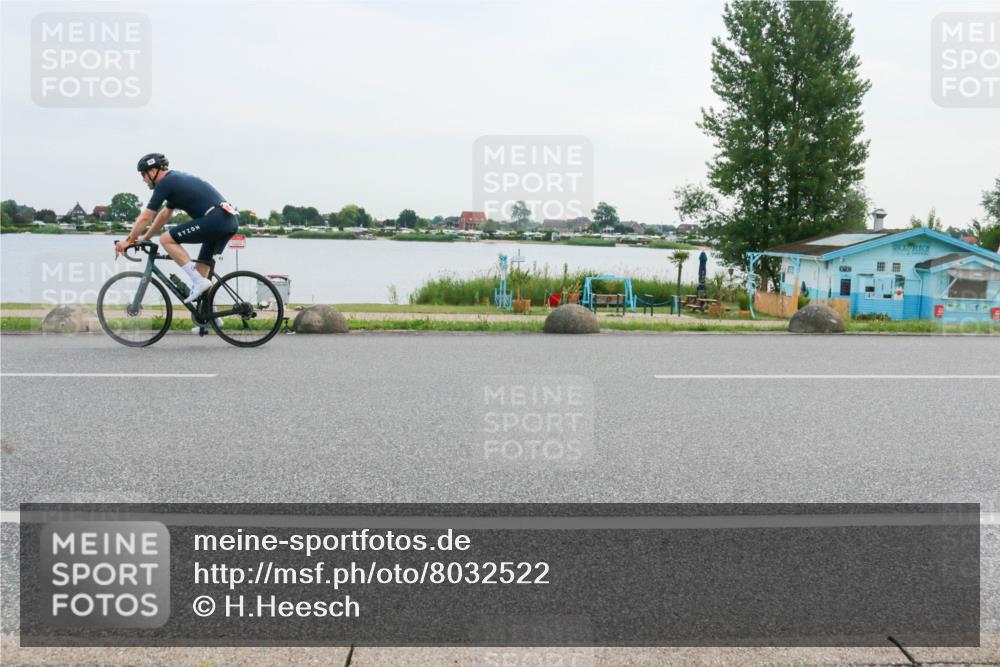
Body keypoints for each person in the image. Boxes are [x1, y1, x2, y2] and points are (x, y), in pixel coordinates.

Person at [116, 153, 239, 306]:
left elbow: (146, 217)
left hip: (215, 220)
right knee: (201, 273)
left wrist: (129, 240)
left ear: (153, 171)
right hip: (226, 221)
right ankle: (211, 315)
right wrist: (146, 237)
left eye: (143, 174)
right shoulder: (174, 181)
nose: (143, 179)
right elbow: (164, 214)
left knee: (166, 239)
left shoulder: (165, 183)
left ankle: (199, 282)